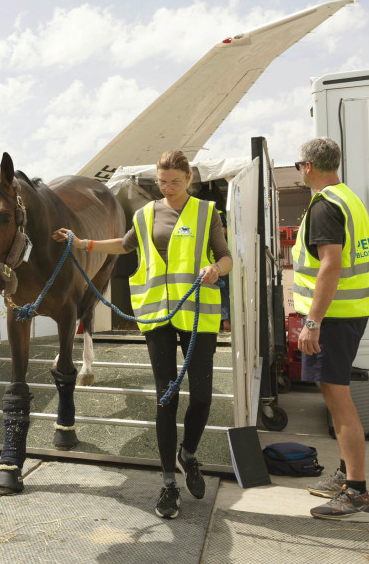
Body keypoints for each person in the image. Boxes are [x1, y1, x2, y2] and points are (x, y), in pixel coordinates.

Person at [53, 150, 232, 520]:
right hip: (156, 316)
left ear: (189, 179)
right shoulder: (146, 213)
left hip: (198, 312)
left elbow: (226, 256)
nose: (166, 188)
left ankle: (189, 454)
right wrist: (82, 243)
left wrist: (216, 268)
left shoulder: (205, 212)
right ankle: (168, 484)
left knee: (201, 396)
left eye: (174, 182)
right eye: (161, 182)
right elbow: (123, 244)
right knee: (166, 397)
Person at [292, 137, 369, 523]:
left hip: (333, 317)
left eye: (299, 166)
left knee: (338, 401)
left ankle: (357, 495)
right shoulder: (348, 196)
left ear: (308, 167)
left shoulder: (325, 205)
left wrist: (312, 322)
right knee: (337, 397)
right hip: (349, 312)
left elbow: (331, 265)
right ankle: (346, 475)